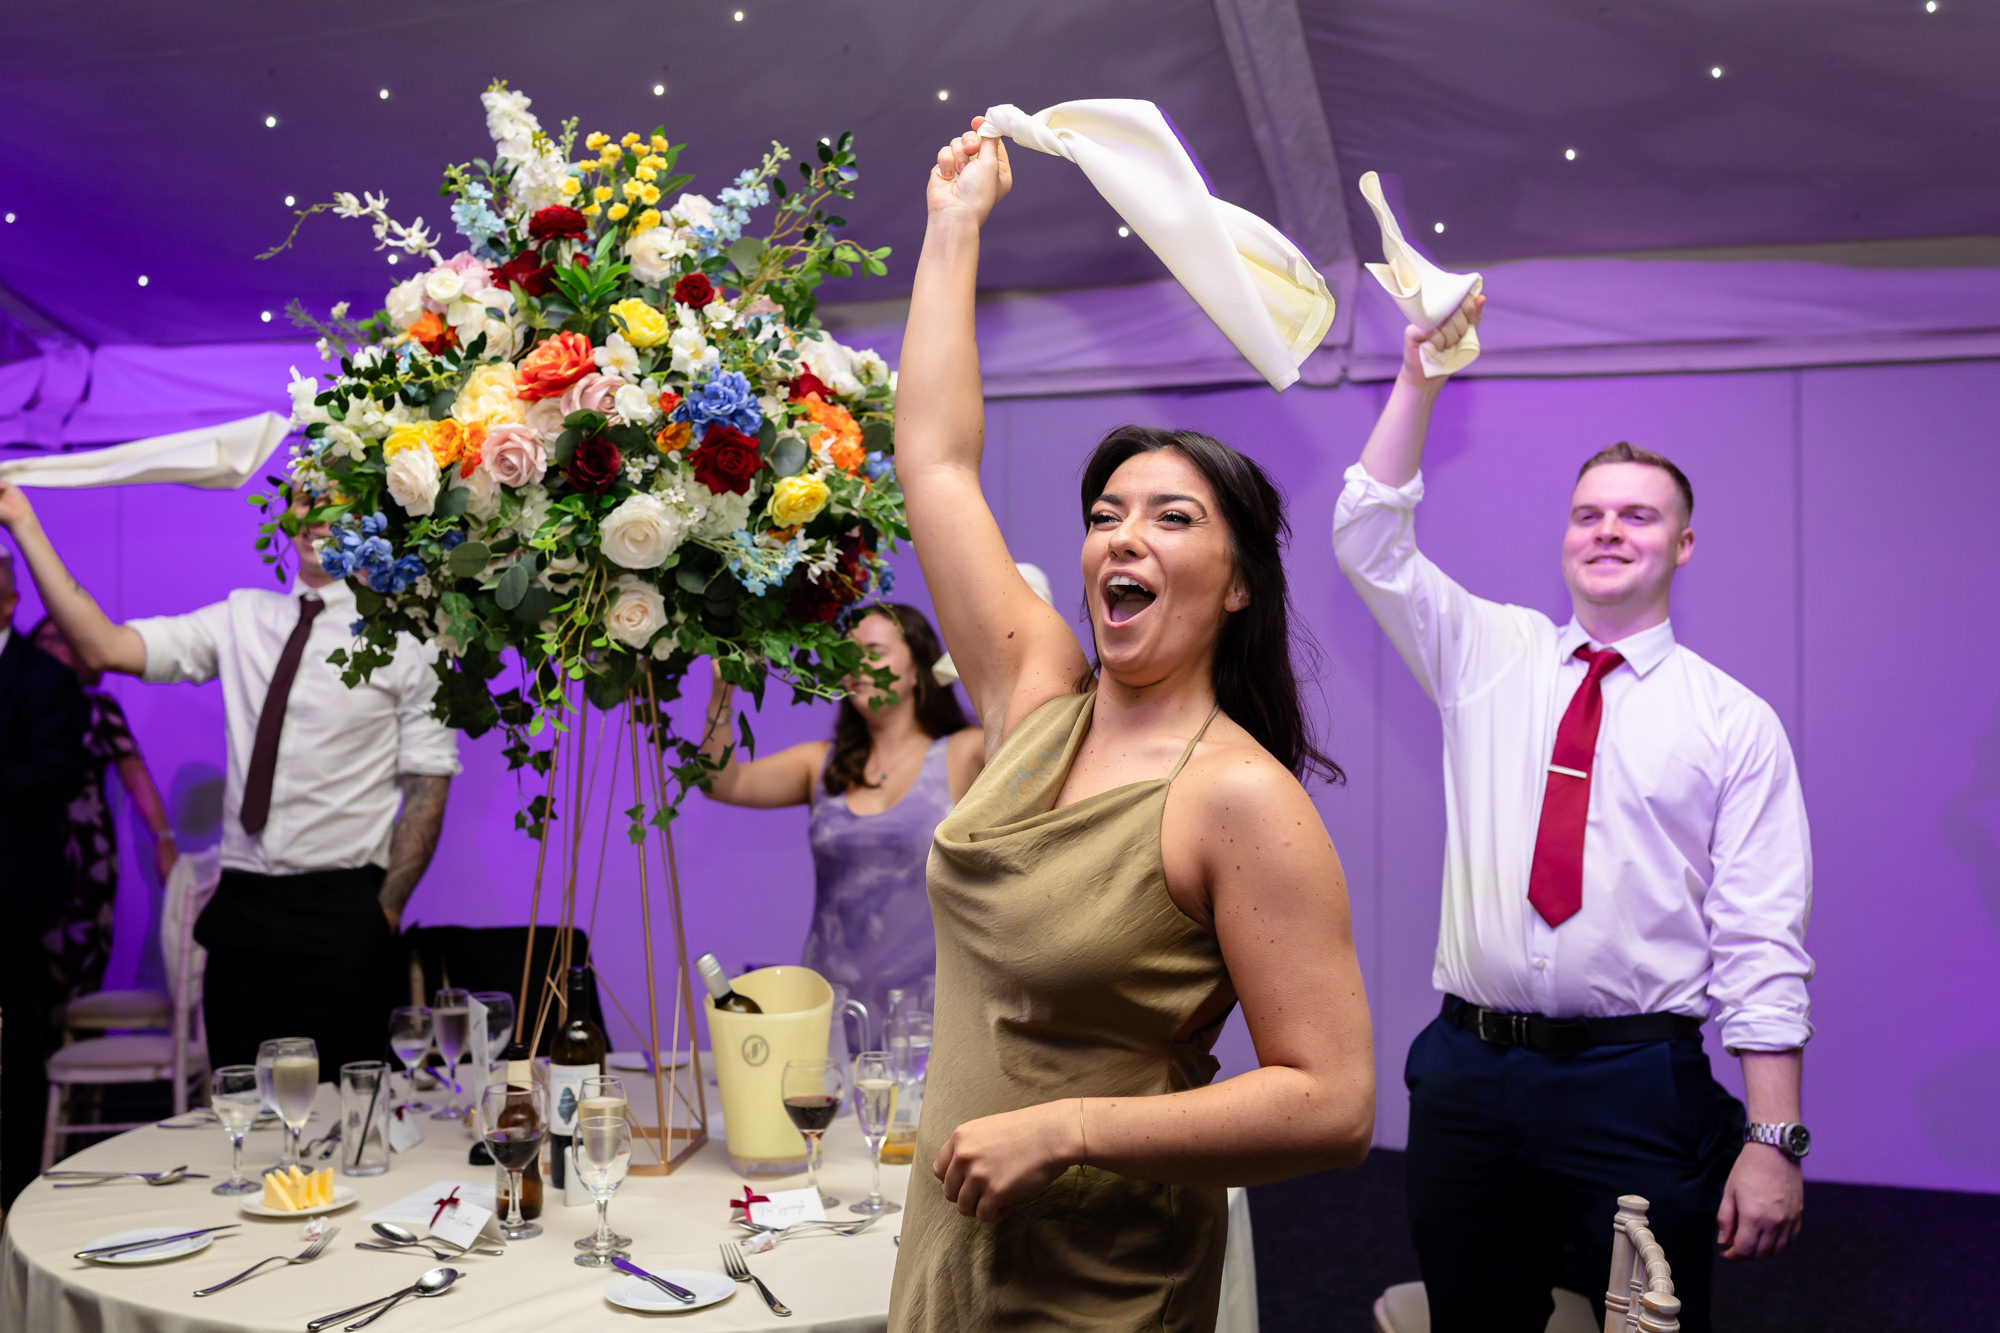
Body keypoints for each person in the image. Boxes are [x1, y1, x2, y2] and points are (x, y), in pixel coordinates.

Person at [885, 121, 1375, 1331]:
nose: (1123, 537)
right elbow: (935, 463)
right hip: (953, 1246)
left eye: (1170, 517)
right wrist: (954, 229)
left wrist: (1068, 1129)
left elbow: (1333, 1101)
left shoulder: (1237, 798)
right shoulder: (1035, 698)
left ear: (1239, 579)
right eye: (1107, 513)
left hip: (1098, 1275)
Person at [1332, 296, 1812, 1333]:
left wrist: (1774, 1141)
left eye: (1636, 516)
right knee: (1474, 1316)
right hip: (1465, 1072)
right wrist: (1416, 379)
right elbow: (1367, 539)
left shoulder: (1732, 722)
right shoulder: (1483, 654)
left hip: (1636, 1082)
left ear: (1682, 545)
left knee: (1645, 1323)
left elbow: (1760, 941)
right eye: (1587, 512)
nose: (1606, 531)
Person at [0, 481, 459, 1074]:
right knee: (240, 1125)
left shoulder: (408, 641)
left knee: (348, 1126)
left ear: (372, 516)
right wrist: (22, 523)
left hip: (343, 911)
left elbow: (429, 784)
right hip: (240, 911)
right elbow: (104, 646)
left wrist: (384, 913)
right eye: (302, 498)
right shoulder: (242, 617)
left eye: (336, 499)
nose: (315, 514)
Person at [699, 603, 984, 1035]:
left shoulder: (965, 752)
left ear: (917, 670)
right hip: (829, 1007)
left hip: (932, 1011)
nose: (858, 665)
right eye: (847, 654)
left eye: (874, 650)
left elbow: (1031, 739)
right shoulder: (821, 763)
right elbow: (722, 783)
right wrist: (723, 690)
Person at [29, 615, 179, 1022]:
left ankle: (79, 1070)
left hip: (86, 853)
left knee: (83, 955)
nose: (51, 648)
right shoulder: (16, 702)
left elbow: (136, 776)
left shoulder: (97, 708)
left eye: (61, 639)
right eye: (42, 639)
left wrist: (163, 838)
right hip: (28, 847)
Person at [0, 547, 90, 1207]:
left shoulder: (44, 679)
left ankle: (15, 1187)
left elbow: (57, 774)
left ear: (8, 597)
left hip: (11, 894)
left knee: (16, 1043)